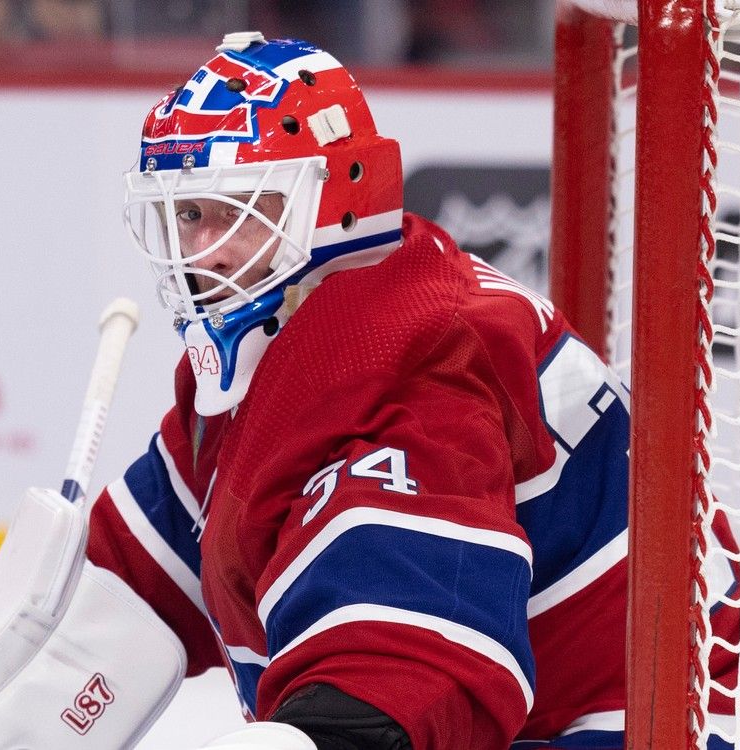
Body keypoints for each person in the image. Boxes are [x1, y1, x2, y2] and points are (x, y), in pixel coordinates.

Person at [93, 30, 636, 749]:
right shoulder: (291, 336)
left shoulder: (417, 364)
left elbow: (390, 693)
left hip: (675, 723)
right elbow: (134, 580)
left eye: (239, 212)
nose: (203, 253)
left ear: (335, 204)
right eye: (190, 214)